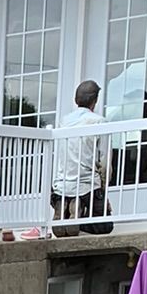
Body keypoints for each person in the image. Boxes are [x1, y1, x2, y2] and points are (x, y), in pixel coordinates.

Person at [50, 80, 110, 236]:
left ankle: (65, 205)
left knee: (66, 190)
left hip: (60, 184)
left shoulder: (63, 121)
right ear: (95, 100)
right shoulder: (99, 122)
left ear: (76, 100)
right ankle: (79, 212)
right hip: (87, 185)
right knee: (105, 226)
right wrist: (104, 187)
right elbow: (104, 161)